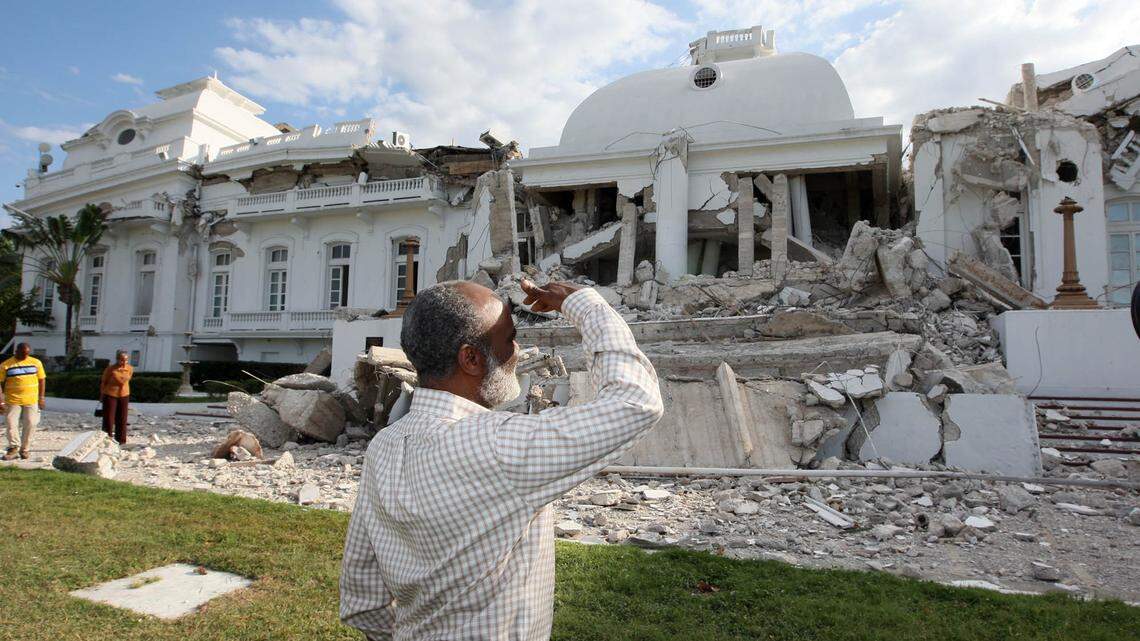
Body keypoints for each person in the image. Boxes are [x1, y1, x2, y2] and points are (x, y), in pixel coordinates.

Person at [340, 280, 663, 640]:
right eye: (509, 339)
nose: (517, 350)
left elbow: (363, 602)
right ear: (471, 359)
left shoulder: (384, 445)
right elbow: (634, 402)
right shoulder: (502, 446)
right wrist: (585, 307)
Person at [1, 342, 46, 461]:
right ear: (16, 351)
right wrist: (1, 401)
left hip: (31, 400)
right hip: (12, 400)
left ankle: (24, 449)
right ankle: (13, 448)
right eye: (22, 354)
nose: (25, 356)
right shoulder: (6, 365)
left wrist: (41, 398)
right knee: (11, 423)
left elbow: (42, 380)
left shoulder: (36, 363)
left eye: (27, 354)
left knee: (31, 423)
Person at [100, 350, 133, 445]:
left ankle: (121, 441)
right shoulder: (110, 369)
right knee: (109, 418)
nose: (124, 362)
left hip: (124, 394)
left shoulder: (130, 368)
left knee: (122, 418)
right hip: (110, 394)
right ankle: (107, 439)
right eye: (122, 360)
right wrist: (102, 395)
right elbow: (104, 382)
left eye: (126, 360)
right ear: (117, 359)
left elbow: (127, 379)